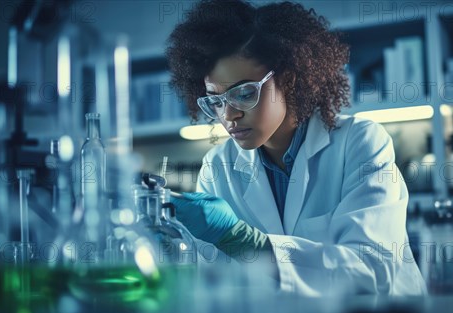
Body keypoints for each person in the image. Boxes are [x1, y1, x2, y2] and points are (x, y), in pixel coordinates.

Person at [166, 0, 426, 296]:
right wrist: (175, 246)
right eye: (216, 100)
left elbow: (370, 272)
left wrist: (244, 241)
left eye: (244, 93)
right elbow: (215, 284)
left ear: (287, 81)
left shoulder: (360, 142)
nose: (229, 115)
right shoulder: (217, 167)